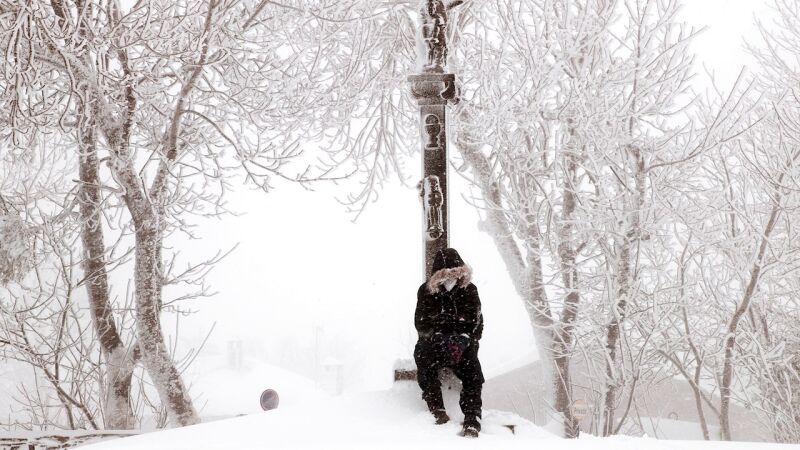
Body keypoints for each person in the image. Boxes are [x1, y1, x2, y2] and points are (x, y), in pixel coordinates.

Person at [414, 248, 484, 438]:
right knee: (423, 356)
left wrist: (462, 339)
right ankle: (437, 409)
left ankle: (472, 418)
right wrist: (437, 336)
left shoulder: (470, 290)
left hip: (462, 346)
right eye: (447, 274)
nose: (451, 278)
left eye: (455, 273)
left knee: (473, 373)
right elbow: (420, 323)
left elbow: (477, 325)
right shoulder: (426, 291)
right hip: (435, 345)